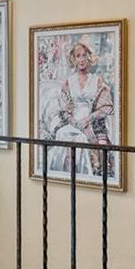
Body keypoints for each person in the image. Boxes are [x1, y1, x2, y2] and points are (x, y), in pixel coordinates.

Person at [48, 41, 115, 176]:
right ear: (74, 59)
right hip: (73, 122)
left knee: (84, 140)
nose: (82, 59)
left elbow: (105, 106)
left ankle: (86, 176)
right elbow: (65, 108)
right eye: (78, 56)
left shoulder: (97, 80)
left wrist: (88, 120)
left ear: (89, 57)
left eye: (84, 55)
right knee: (63, 134)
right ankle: (66, 176)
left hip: (91, 120)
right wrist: (74, 121)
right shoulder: (69, 81)